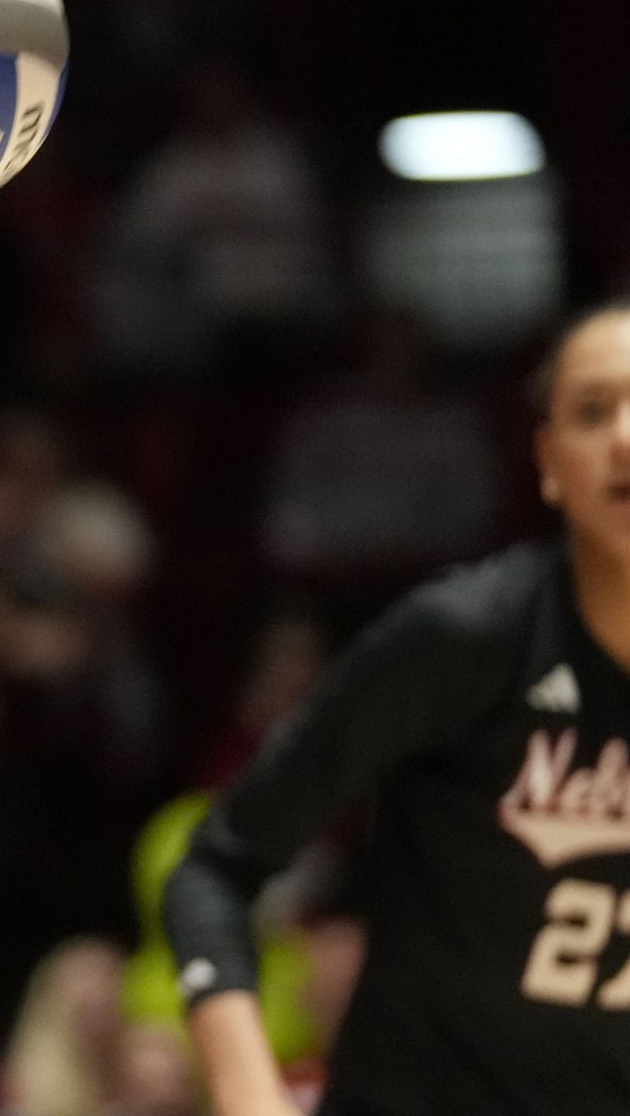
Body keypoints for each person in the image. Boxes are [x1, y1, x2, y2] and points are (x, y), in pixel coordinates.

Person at [163, 300, 630, 1114]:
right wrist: (249, 1094)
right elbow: (213, 867)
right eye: (592, 411)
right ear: (548, 463)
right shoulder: (467, 638)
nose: (627, 437)